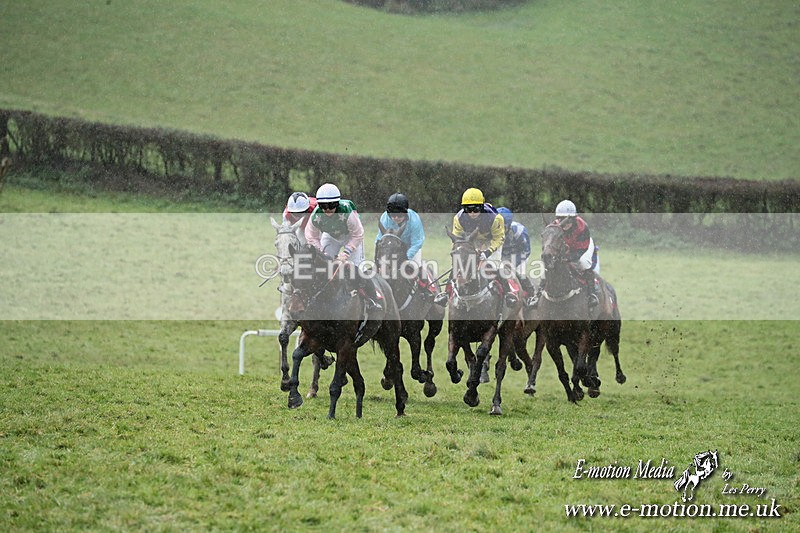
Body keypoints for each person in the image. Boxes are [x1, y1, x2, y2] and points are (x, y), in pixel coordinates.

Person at [435, 187, 520, 307]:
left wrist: (487, 252)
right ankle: (446, 293)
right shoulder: (458, 219)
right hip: (471, 241)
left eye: (476, 208)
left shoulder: (496, 218)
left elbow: (499, 238)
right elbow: (457, 241)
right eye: (468, 209)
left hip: (492, 241)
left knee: (493, 266)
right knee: (459, 265)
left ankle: (509, 293)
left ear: (482, 206)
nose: (472, 212)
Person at [304, 183, 382, 310]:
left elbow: (358, 234)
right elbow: (311, 237)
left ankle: (372, 299)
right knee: (325, 267)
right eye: (323, 206)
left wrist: (346, 252)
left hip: (350, 236)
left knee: (357, 270)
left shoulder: (347, 211)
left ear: (337, 204)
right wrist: (321, 252)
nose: (327, 210)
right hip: (330, 236)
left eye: (331, 205)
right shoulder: (316, 216)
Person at [553, 199, 599, 308]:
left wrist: (568, 259)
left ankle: (592, 293)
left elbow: (580, 250)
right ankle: (539, 292)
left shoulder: (582, 226)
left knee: (583, 263)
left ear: (573, 219)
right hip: (567, 247)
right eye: (560, 219)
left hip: (583, 246)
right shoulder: (555, 226)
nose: (563, 223)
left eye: (567, 220)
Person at [497, 207, 537, 304]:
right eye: (498, 227)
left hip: (518, 255)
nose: (500, 230)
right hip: (500, 255)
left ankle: (531, 294)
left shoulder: (519, 231)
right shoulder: (491, 229)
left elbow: (526, 251)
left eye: (503, 227)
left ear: (509, 225)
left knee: (518, 273)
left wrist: (512, 263)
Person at [375, 192, 425, 265]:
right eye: (393, 215)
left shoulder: (414, 220)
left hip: (410, 248)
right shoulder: (385, 218)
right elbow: (380, 240)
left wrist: (405, 257)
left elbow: (417, 243)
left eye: (400, 215)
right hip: (391, 249)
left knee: (416, 267)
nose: (396, 218)